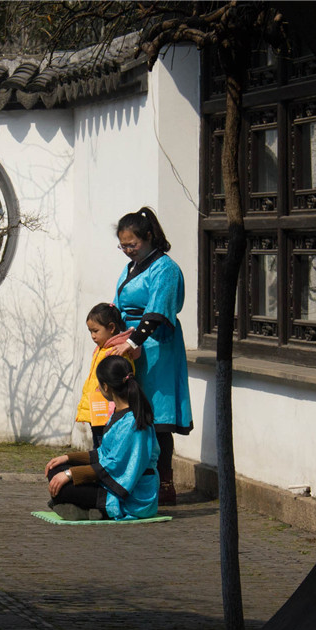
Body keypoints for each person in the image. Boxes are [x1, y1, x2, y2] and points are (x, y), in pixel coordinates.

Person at [108, 207, 193, 505]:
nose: (128, 251)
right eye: (123, 246)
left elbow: (156, 310)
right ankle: (135, 476)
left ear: (148, 237)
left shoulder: (165, 269)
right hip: (130, 343)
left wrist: (135, 339)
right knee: (132, 411)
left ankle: (164, 483)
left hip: (157, 346)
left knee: (157, 415)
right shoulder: (132, 267)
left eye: (132, 245)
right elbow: (120, 301)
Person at [45, 355, 160, 521]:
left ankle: (94, 509)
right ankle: (85, 508)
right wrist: (67, 458)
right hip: (111, 480)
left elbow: (114, 466)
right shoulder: (120, 415)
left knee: (65, 488)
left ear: (106, 387)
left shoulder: (132, 423)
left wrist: (70, 474)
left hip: (133, 495)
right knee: (55, 470)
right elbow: (103, 453)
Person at [75, 303, 138, 449]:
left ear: (111, 328)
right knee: (99, 448)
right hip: (97, 412)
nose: (93, 336)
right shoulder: (101, 349)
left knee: (105, 450)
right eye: (90, 331)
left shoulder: (116, 352)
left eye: (96, 331)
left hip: (108, 414)